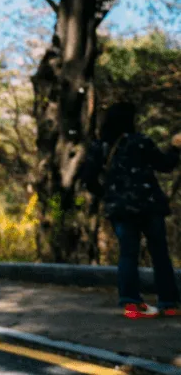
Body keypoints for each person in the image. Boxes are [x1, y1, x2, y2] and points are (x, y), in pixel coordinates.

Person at [84, 101, 181, 318]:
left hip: (120, 210)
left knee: (128, 254)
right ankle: (169, 303)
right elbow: (165, 165)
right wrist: (175, 147)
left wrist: (107, 194)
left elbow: (88, 178)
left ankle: (131, 305)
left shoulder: (100, 146)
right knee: (160, 254)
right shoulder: (141, 142)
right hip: (149, 205)